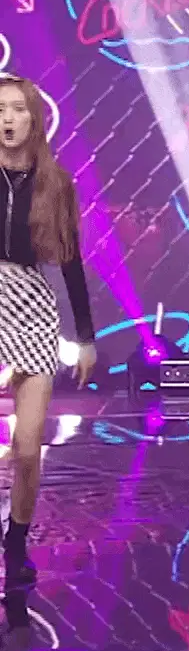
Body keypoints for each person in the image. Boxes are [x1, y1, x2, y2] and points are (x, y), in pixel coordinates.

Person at [0, 75, 96, 588]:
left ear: (34, 119)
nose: (8, 119)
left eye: (18, 109)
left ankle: (16, 540)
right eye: (0, 109)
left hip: (33, 308)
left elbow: (72, 262)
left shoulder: (55, 183)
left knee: (28, 444)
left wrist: (86, 337)